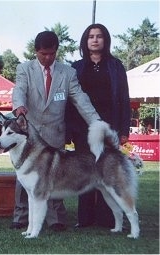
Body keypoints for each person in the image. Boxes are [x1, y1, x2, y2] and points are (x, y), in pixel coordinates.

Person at [11, 31, 101, 232]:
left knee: (55, 175)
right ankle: (20, 215)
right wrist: (18, 106)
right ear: (36, 52)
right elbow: (19, 89)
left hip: (55, 132)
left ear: (56, 51)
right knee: (24, 174)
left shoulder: (67, 73)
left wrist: (96, 122)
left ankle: (56, 219)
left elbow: (80, 99)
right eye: (43, 54)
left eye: (51, 54)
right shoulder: (24, 69)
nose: (48, 58)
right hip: (30, 135)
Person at [66, 23, 131, 229]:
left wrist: (123, 130)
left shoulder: (115, 66)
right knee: (85, 171)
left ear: (106, 40)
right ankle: (84, 218)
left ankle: (107, 218)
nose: (95, 40)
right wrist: (69, 130)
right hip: (81, 129)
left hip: (109, 128)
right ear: (85, 42)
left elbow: (124, 99)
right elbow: (69, 102)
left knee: (107, 170)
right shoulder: (76, 67)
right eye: (91, 37)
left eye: (99, 36)